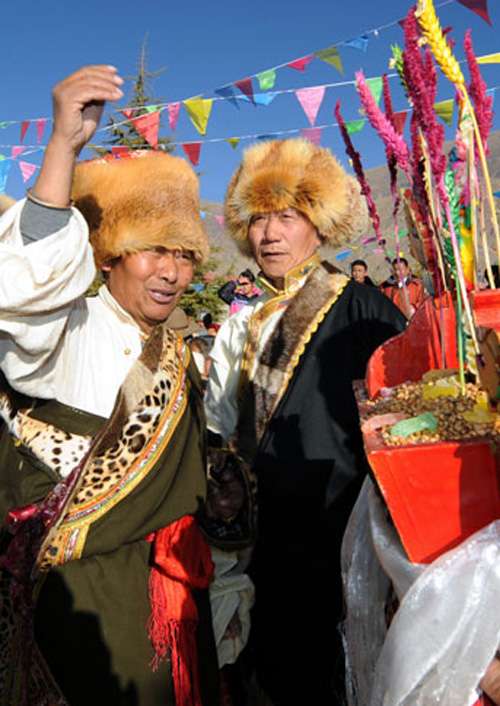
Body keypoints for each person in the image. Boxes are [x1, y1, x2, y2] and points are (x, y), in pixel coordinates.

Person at [0, 66, 219, 706]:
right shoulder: (70, 328)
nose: (171, 272)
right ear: (108, 255)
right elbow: (26, 289)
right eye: (153, 250)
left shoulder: (180, 353)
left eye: (183, 255)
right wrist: (63, 147)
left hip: (172, 594)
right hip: (85, 599)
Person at [204, 138, 407, 706]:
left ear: (318, 226)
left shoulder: (362, 309)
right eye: (259, 219)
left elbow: (404, 426)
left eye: (287, 217)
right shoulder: (239, 324)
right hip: (258, 542)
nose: (270, 234)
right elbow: (219, 426)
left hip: (338, 534)